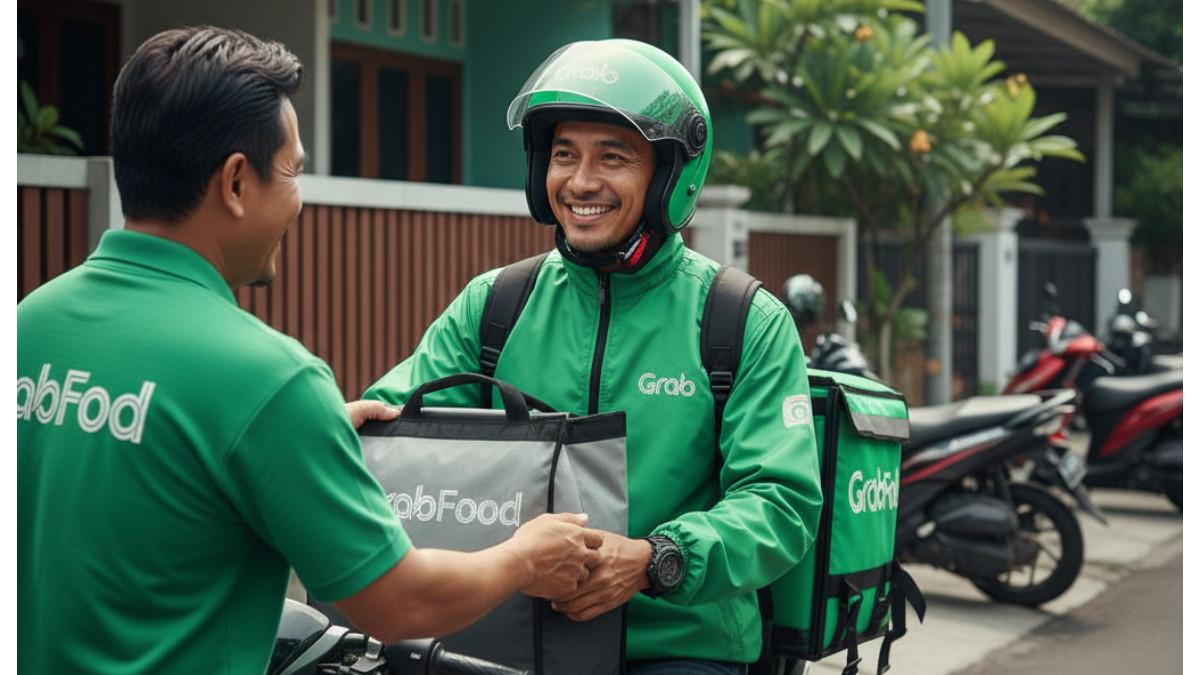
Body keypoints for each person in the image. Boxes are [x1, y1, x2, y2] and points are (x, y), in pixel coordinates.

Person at [17, 27, 603, 675]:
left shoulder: (30, 323)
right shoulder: (267, 380)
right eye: (294, 170)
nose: (299, 199)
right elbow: (397, 602)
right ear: (237, 183)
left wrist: (300, 431)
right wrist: (524, 554)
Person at [364, 39, 823, 673]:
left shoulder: (741, 321)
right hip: (505, 640)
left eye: (613, 157)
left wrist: (657, 560)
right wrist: (349, 423)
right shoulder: (496, 304)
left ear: (670, 175)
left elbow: (781, 501)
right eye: (562, 155)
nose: (581, 182)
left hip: (675, 648)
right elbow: (402, 420)